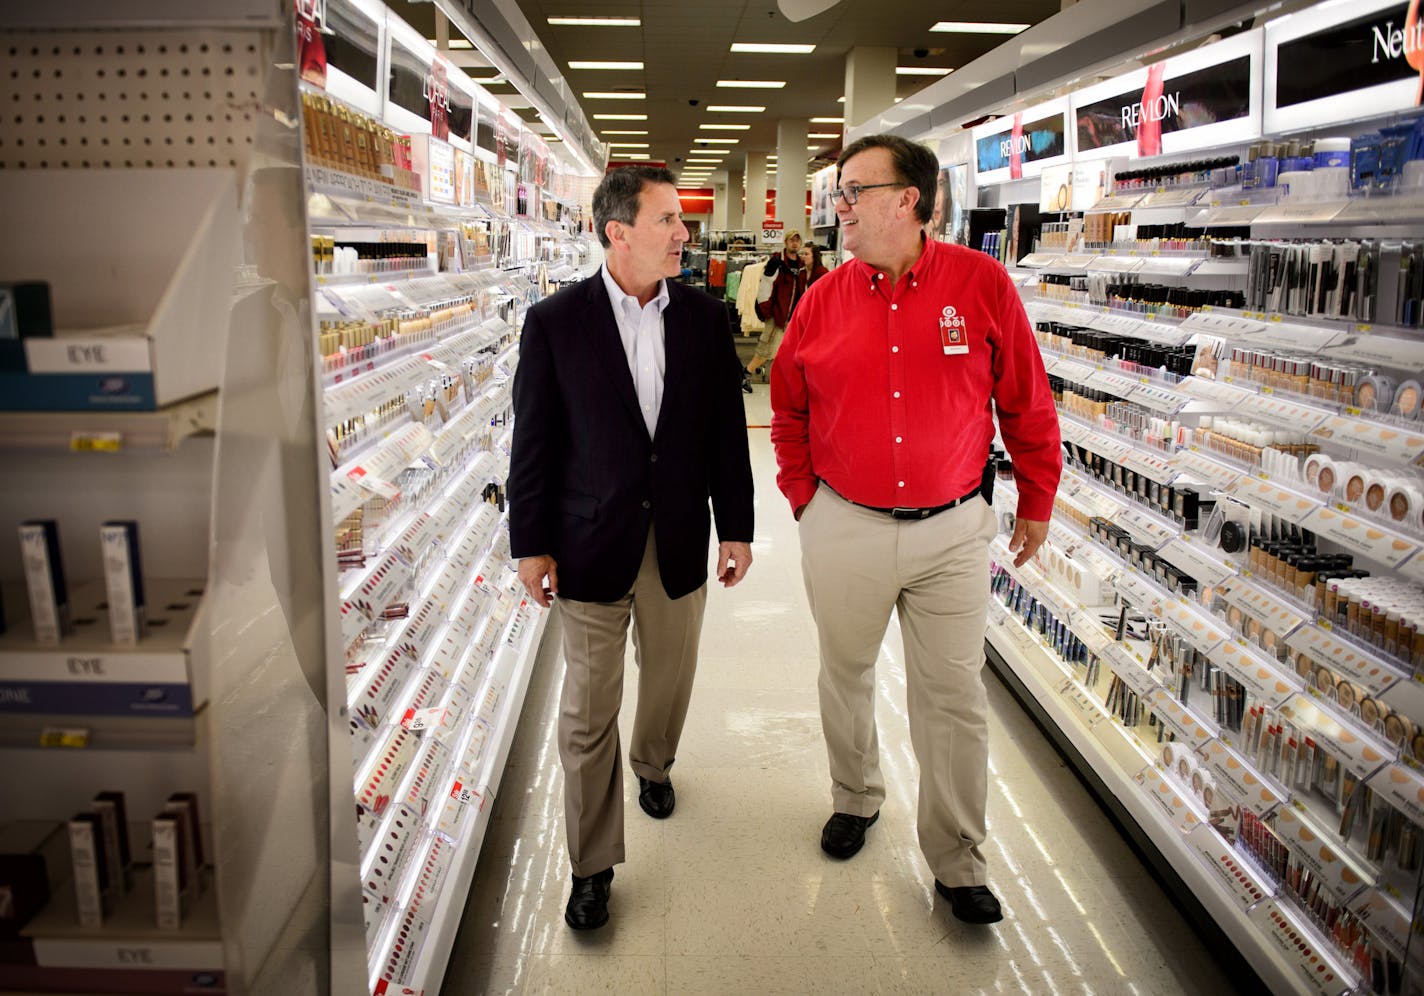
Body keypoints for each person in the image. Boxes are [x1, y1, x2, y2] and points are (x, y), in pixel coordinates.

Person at [769, 134, 1061, 926]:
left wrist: (1037, 496)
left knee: (953, 696)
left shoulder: (981, 284)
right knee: (847, 675)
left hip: (952, 533)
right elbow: (786, 402)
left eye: (853, 191)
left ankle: (959, 859)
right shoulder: (824, 298)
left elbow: (1027, 401)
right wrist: (806, 500)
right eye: (839, 193)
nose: (841, 208)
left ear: (910, 200)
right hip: (847, 524)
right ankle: (856, 796)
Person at [509, 165, 756, 932]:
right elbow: (535, 443)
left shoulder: (705, 317)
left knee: (670, 676)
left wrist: (738, 526)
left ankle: (653, 764)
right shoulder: (555, 321)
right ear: (618, 233)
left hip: (679, 534)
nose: (685, 235)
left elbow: (724, 433)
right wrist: (530, 543)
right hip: (586, 542)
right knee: (586, 713)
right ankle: (590, 865)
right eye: (668, 222)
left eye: (681, 222)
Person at [743, 231, 804, 392]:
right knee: (766, 349)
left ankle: (783, 382)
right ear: (786, 242)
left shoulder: (800, 265)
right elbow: (765, 287)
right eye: (792, 240)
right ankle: (746, 373)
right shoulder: (776, 262)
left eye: (798, 241)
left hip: (792, 317)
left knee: (785, 351)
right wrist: (766, 311)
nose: (795, 244)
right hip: (776, 315)